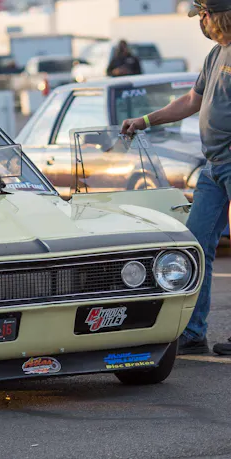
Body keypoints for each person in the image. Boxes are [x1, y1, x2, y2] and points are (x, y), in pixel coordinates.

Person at [121, 0, 231, 355]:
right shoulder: (215, 55)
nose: (201, 23)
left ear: (215, 16)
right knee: (194, 248)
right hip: (214, 167)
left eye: (203, 15)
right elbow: (190, 101)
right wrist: (145, 121)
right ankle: (193, 332)